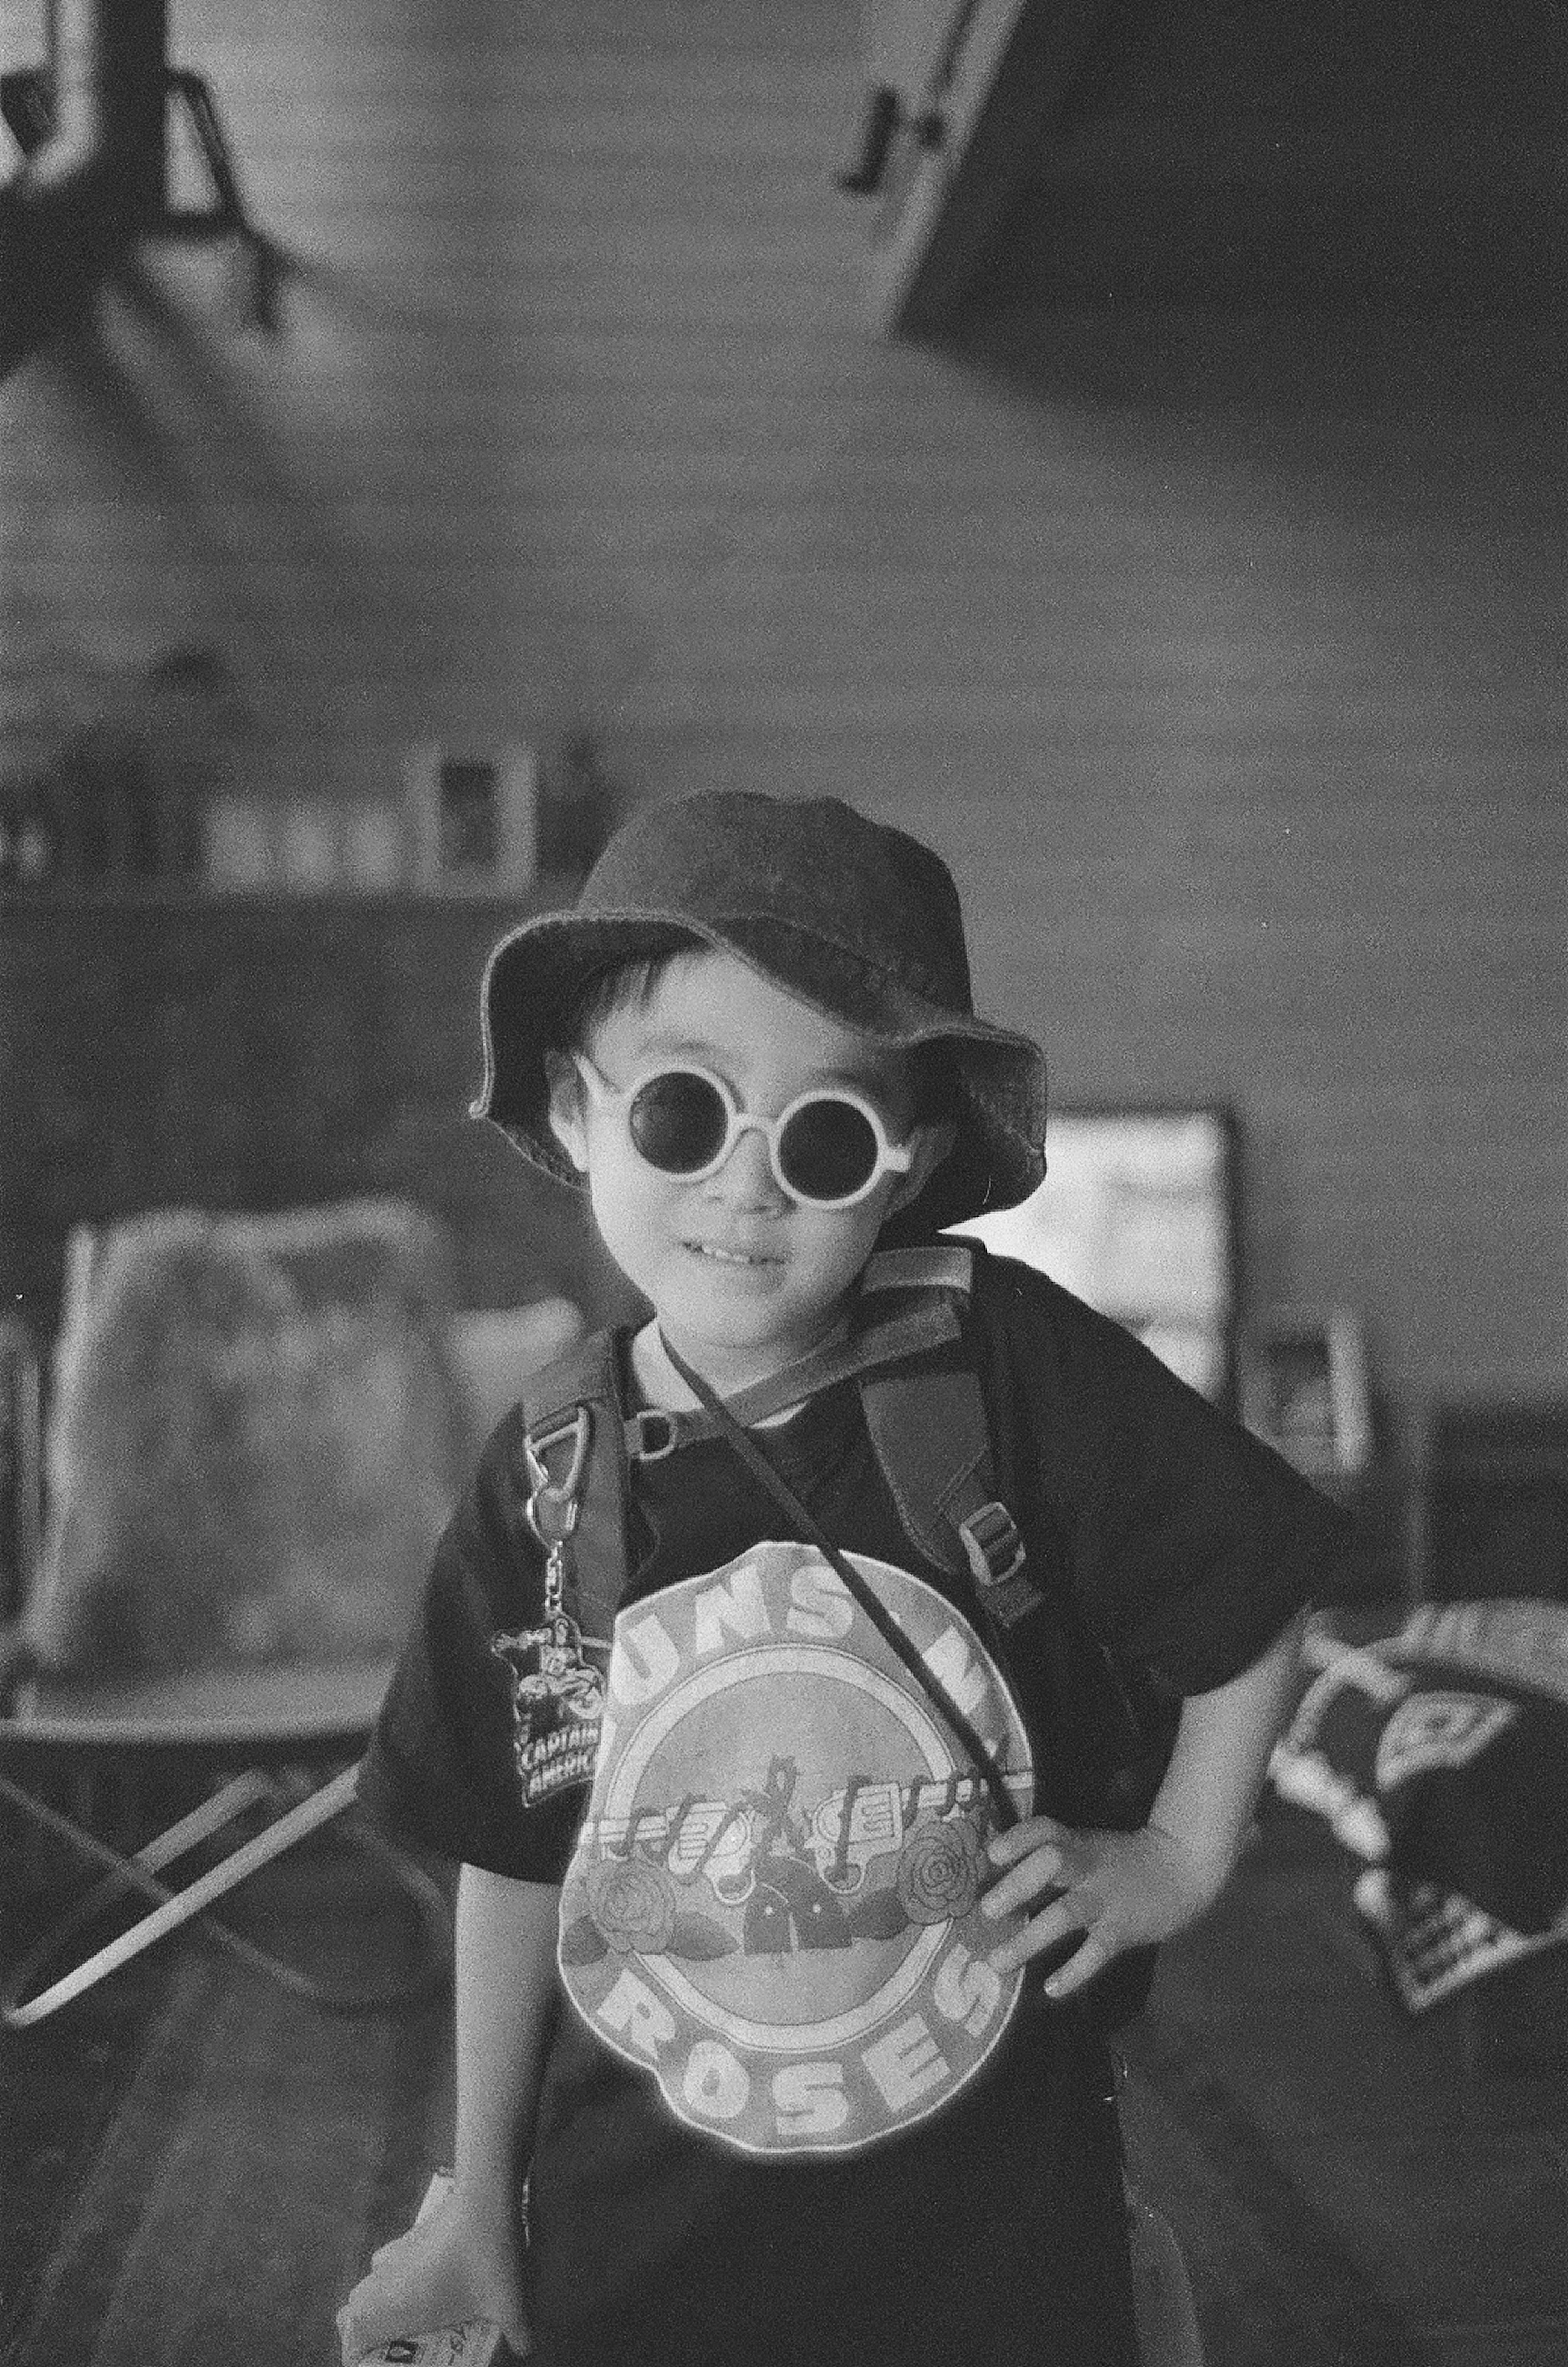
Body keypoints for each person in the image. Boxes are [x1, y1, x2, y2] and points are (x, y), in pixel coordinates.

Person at [338, 790, 1347, 2367]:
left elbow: (1252, 1582)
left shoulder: (1003, 1368)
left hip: (993, 2244)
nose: (750, 1189)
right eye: (685, 1111)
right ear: (579, 1110)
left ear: (908, 1160)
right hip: (640, 2243)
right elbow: (514, 1851)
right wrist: (482, 2203)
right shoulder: (546, 1478)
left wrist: (1178, 1857)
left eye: (823, 1135)